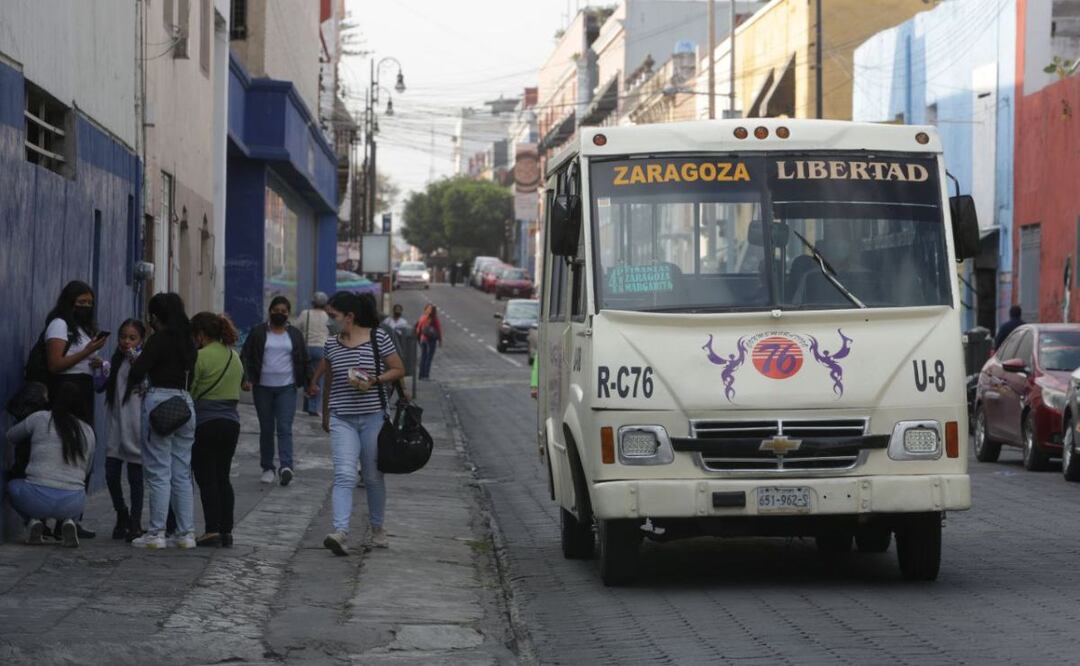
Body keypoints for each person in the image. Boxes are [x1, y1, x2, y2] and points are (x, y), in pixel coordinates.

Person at [309, 291, 405, 556]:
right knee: (344, 474)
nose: (329, 322)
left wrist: (375, 380)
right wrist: (326, 413)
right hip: (342, 418)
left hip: (373, 417)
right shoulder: (331, 345)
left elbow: (398, 369)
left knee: (373, 476)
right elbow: (330, 379)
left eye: (333, 316)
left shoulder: (378, 337)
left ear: (349, 317)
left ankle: (377, 528)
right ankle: (340, 532)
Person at [127, 293, 198, 550]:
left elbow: (137, 372)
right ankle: (186, 534)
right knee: (181, 472)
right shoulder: (188, 341)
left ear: (155, 316)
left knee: (158, 472)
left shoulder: (158, 340)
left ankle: (156, 532)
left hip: (159, 402)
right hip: (184, 403)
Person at [44, 280, 108, 539]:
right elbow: (55, 364)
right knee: (62, 449)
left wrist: (95, 362)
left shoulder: (83, 329)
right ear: (69, 302)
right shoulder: (59, 325)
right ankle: (53, 516)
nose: (85, 308)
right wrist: (88, 352)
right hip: (65, 390)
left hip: (84, 391)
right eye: (80, 303)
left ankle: (72, 517)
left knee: (84, 451)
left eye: (89, 304)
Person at [5, 382, 96, 547]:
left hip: (36, 499)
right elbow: (87, 470)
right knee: (75, 489)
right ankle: (68, 522)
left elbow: (11, 436)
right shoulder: (88, 431)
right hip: (73, 503)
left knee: (11, 486)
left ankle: (32, 522)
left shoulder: (40, 418)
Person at [190, 312, 245, 548]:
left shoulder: (199, 357)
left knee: (206, 478)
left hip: (205, 422)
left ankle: (211, 529)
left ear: (201, 334)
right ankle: (227, 531)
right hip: (231, 423)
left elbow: (190, 390)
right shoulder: (235, 357)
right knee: (223, 476)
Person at [241, 296, 309, 486]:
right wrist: (246, 378)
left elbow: (303, 358)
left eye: (284, 311)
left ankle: (286, 466)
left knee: (285, 428)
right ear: (270, 311)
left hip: (287, 387)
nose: (280, 314)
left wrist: (309, 383)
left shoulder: (294, 334)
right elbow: (245, 355)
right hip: (262, 387)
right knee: (267, 428)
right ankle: (267, 467)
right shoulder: (258, 332)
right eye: (276, 310)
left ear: (288, 314)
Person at [100, 319, 147, 541]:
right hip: (117, 426)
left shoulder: (143, 362)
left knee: (136, 478)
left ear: (141, 340)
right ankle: (122, 513)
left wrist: (134, 357)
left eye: (132, 338)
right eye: (123, 337)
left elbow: (148, 384)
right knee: (111, 474)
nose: (126, 341)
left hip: (136, 426)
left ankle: (135, 522)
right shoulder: (116, 361)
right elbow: (102, 386)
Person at [296, 292, 331, 417]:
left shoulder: (306, 314)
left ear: (312, 302)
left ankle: (307, 406)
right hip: (322, 349)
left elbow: (297, 328)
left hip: (307, 349)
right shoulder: (328, 316)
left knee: (308, 376)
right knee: (318, 378)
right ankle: (313, 407)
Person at [416, 303, 443, 380]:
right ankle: (426, 375)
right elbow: (438, 330)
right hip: (431, 340)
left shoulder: (422, 318)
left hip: (422, 340)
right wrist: (440, 340)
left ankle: (421, 375)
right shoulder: (434, 319)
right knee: (428, 358)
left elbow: (418, 329)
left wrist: (419, 339)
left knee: (423, 357)